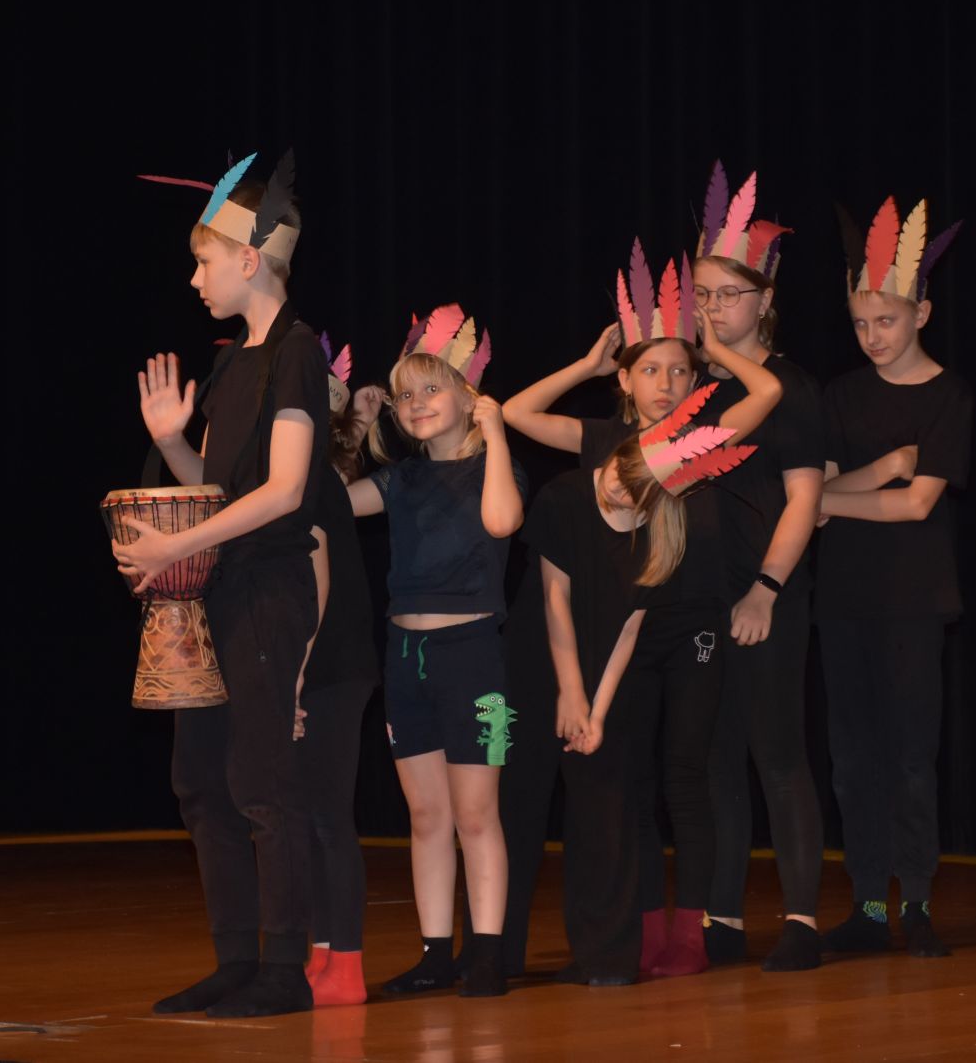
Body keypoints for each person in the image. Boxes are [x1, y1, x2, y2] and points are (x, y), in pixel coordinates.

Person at [499, 238, 781, 978]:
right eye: (650, 369)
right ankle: (644, 931)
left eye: (679, 370)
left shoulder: (699, 444)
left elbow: (767, 395)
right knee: (628, 783)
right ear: (626, 380)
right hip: (625, 628)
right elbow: (516, 411)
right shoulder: (604, 441)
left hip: (690, 629)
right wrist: (586, 368)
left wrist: (718, 347)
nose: (666, 382)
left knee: (686, 774)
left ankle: (689, 935)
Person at [114, 152, 330, 1017]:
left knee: (263, 783)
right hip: (217, 589)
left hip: (268, 590)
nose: (194, 277)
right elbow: (219, 486)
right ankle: (236, 957)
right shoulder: (235, 363)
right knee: (201, 779)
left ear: (249, 259)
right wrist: (174, 441)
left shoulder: (296, 354)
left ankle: (283, 970)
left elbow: (283, 491)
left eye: (203, 261)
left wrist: (175, 548)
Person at [345, 306, 525, 997]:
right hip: (406, 654)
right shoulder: (401, 478)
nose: (416, 403)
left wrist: (496, 433)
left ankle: (487, 952)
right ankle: (434, 954)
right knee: (427, 815)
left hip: (470, 654)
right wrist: (353, 430)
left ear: (467, 396)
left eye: (431, 388)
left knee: (476, 813)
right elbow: (325, 501)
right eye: (405, 394)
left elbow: (503, 522)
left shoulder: (494, 468)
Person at [818, 198, 970, 958]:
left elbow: (917, 505)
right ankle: (869, 906)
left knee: (910, 755)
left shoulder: (948, 396)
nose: (873, 336)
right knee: (853, 759)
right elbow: (815, 497)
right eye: (860, 323)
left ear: (922, 314)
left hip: (913, 600)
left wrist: (835, 497)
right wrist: (879, 471)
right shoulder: (840, 396)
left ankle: (918, 903)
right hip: (844, 599)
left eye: (886, 320)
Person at [690, 162, 827, 972]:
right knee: (714, 760)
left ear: (764, 299)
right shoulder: (690, 388)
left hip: (762, 594)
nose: (712, 308)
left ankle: (802, 920)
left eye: (728, 294)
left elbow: (805, 498)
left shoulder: (791, 389)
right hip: (699, 600)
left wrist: (766, 588)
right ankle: (723, 918)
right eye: (703, 294)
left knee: (777, 751)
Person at [295, 333, 380, 1006]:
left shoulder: (312, 482)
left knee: (326, 815)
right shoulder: (312, 477)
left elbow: (316, 576)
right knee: (308, 816)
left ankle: (345, 963)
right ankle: (321, 952)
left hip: (330, 665)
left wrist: (294, 673)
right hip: (321, 664)